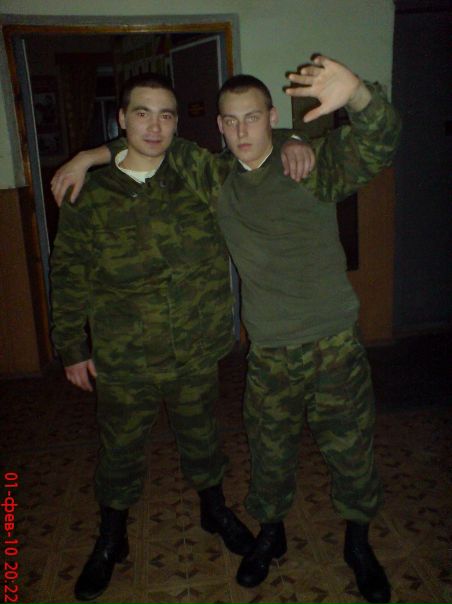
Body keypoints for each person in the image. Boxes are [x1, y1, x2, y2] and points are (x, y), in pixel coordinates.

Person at [50, 72, 314, 602]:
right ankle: (111, 536)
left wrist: (295, 139)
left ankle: (214, 510)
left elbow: (253, 151)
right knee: (120, 450)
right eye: (142, 113)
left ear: (177, 125)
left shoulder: (198, 174)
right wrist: (72, 349)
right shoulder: (90, 193)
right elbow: (69, 274)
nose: (155, 126)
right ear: (121, 119)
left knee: (202, 439)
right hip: (124, 355)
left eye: (166, 115)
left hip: (195, 348)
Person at [213, 55, 400, 604]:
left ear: (272, 116)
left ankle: (358, 544)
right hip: (270, 352)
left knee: (352, 452)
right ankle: (271, 534)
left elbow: (382, 141)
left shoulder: (310, 164)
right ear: (219, 125)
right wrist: (89, 157)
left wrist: (358, 95)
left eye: (252, 117)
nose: (241, 131)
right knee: (269, 455)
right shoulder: (214, 179)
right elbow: (150, 155)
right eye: (230, 121)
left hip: (333, 344)